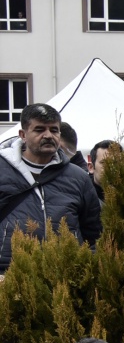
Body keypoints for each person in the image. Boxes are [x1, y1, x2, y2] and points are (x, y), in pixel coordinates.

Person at [0, 103, 102, 273]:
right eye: (39, 130)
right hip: (8, 275)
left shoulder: (78, 178)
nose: (48, 135)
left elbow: (93, 233)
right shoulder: (2, 170)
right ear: (23, 135)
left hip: (64, 277)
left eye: (54, 130)